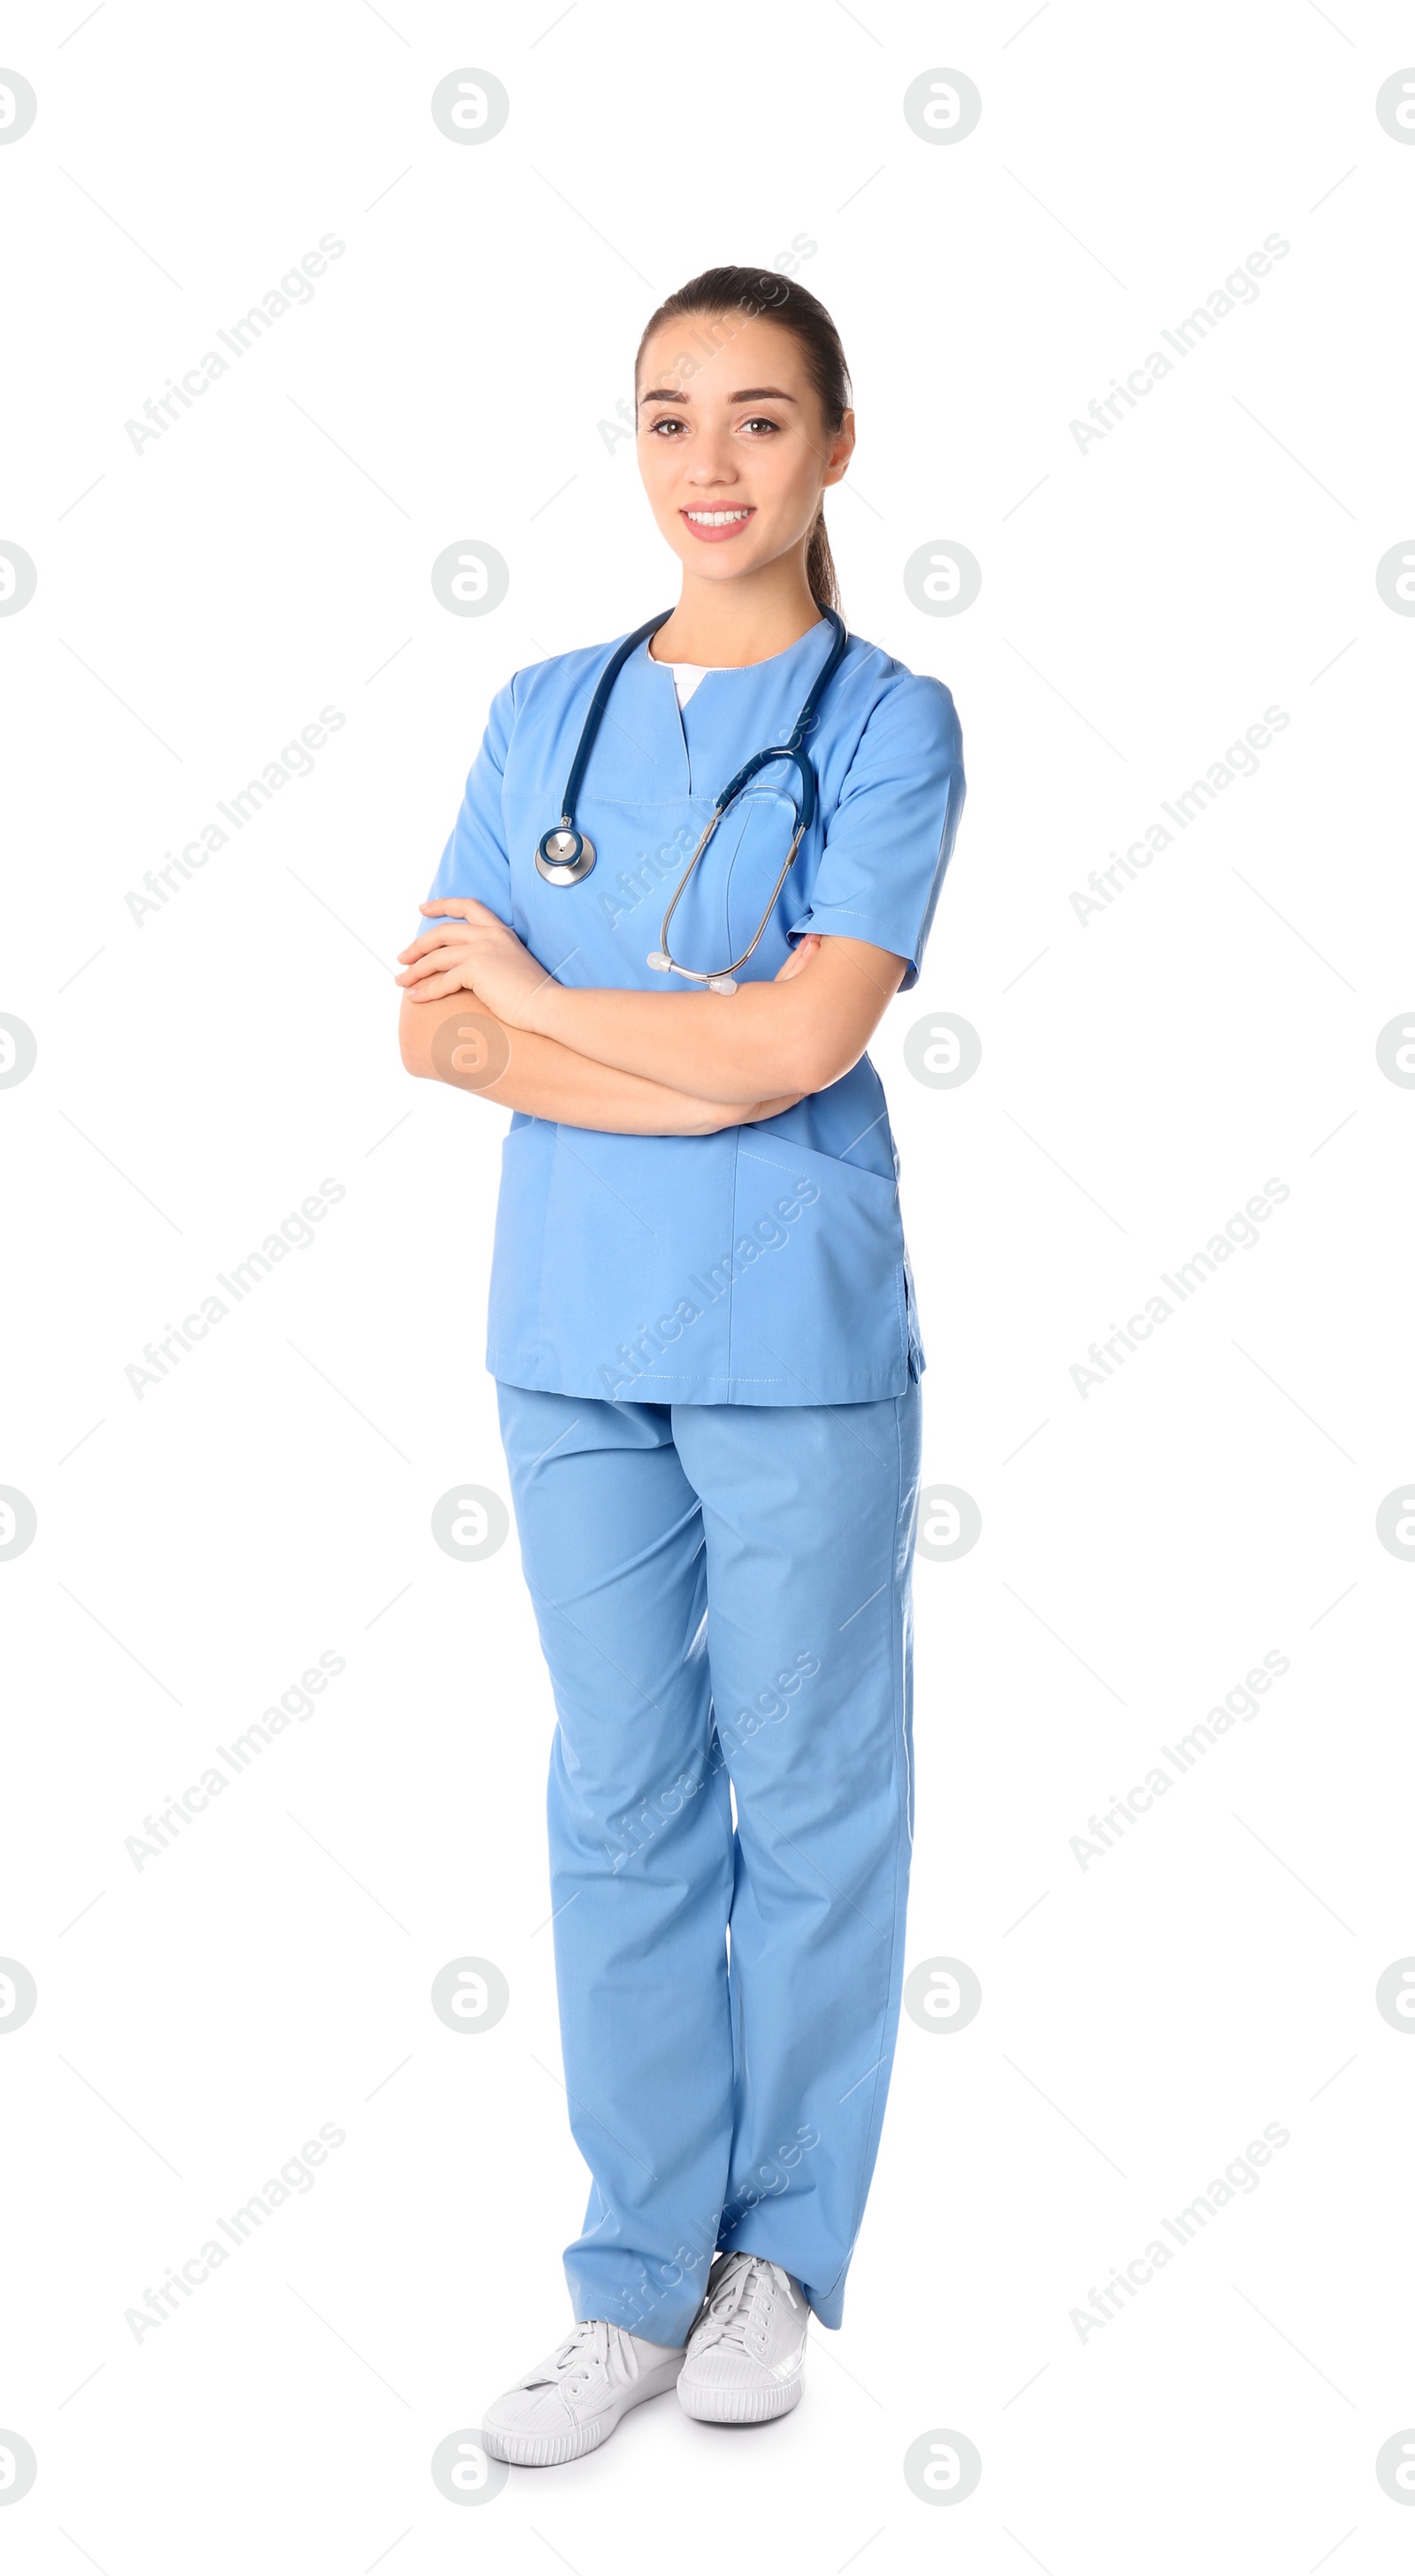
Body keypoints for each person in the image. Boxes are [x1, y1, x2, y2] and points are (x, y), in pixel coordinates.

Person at [396, 266, 965, 2467]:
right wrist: (679, 1063)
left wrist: (565, 1022)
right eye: (664, 420)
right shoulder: (540, 707)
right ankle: (634, 2267)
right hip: (569, 1333)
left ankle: (773, 2253)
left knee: (808, 1796)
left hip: (793, 1335)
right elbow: (431, 1029)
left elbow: (806, 1040)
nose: (705, 467)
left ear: (832, 446)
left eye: (753, 420)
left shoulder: (886, 722)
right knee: (621, 1793)